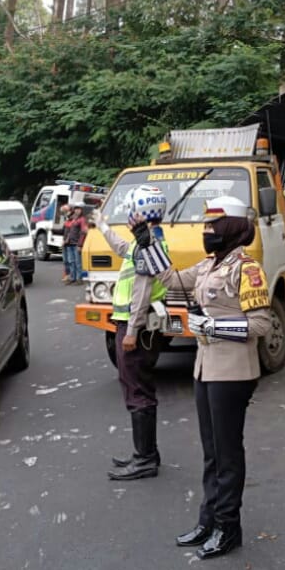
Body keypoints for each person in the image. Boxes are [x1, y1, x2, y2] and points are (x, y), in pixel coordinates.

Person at [133, 195, 272, 559]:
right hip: (206, 368)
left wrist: (212, 324)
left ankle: (229, 527)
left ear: (229, 229)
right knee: (211, 452)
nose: (205, 232)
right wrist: (147, 242)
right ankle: (208, 519)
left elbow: (261, 323)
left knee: (227, 453)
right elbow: (172, 278)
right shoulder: (211, 265)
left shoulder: (248, 269)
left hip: (233, 371)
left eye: (212, 227)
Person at [96, 185, 171, 482]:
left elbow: (141, 291)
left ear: (139, 212)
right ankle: (147, 454)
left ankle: (145, 460)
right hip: (138, 325)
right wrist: (101, 225)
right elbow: (123, 250)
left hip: (134, 327)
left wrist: (132, 331)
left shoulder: (147, 245)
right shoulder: (151, 243)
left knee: (136, 390)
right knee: (139, 387)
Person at [62, 204, 88, 284]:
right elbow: (69, 231)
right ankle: (73, 278)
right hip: (70, 244)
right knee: (71, 262)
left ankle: (79, 279)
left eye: (79, 209)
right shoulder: (73, 219)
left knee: (78, 262)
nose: (77, 210)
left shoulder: (82, 219)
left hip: (77, 244)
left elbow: (83, 232)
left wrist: (80, 245)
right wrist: (66, 240)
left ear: (81, 210)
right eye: (76, 209)